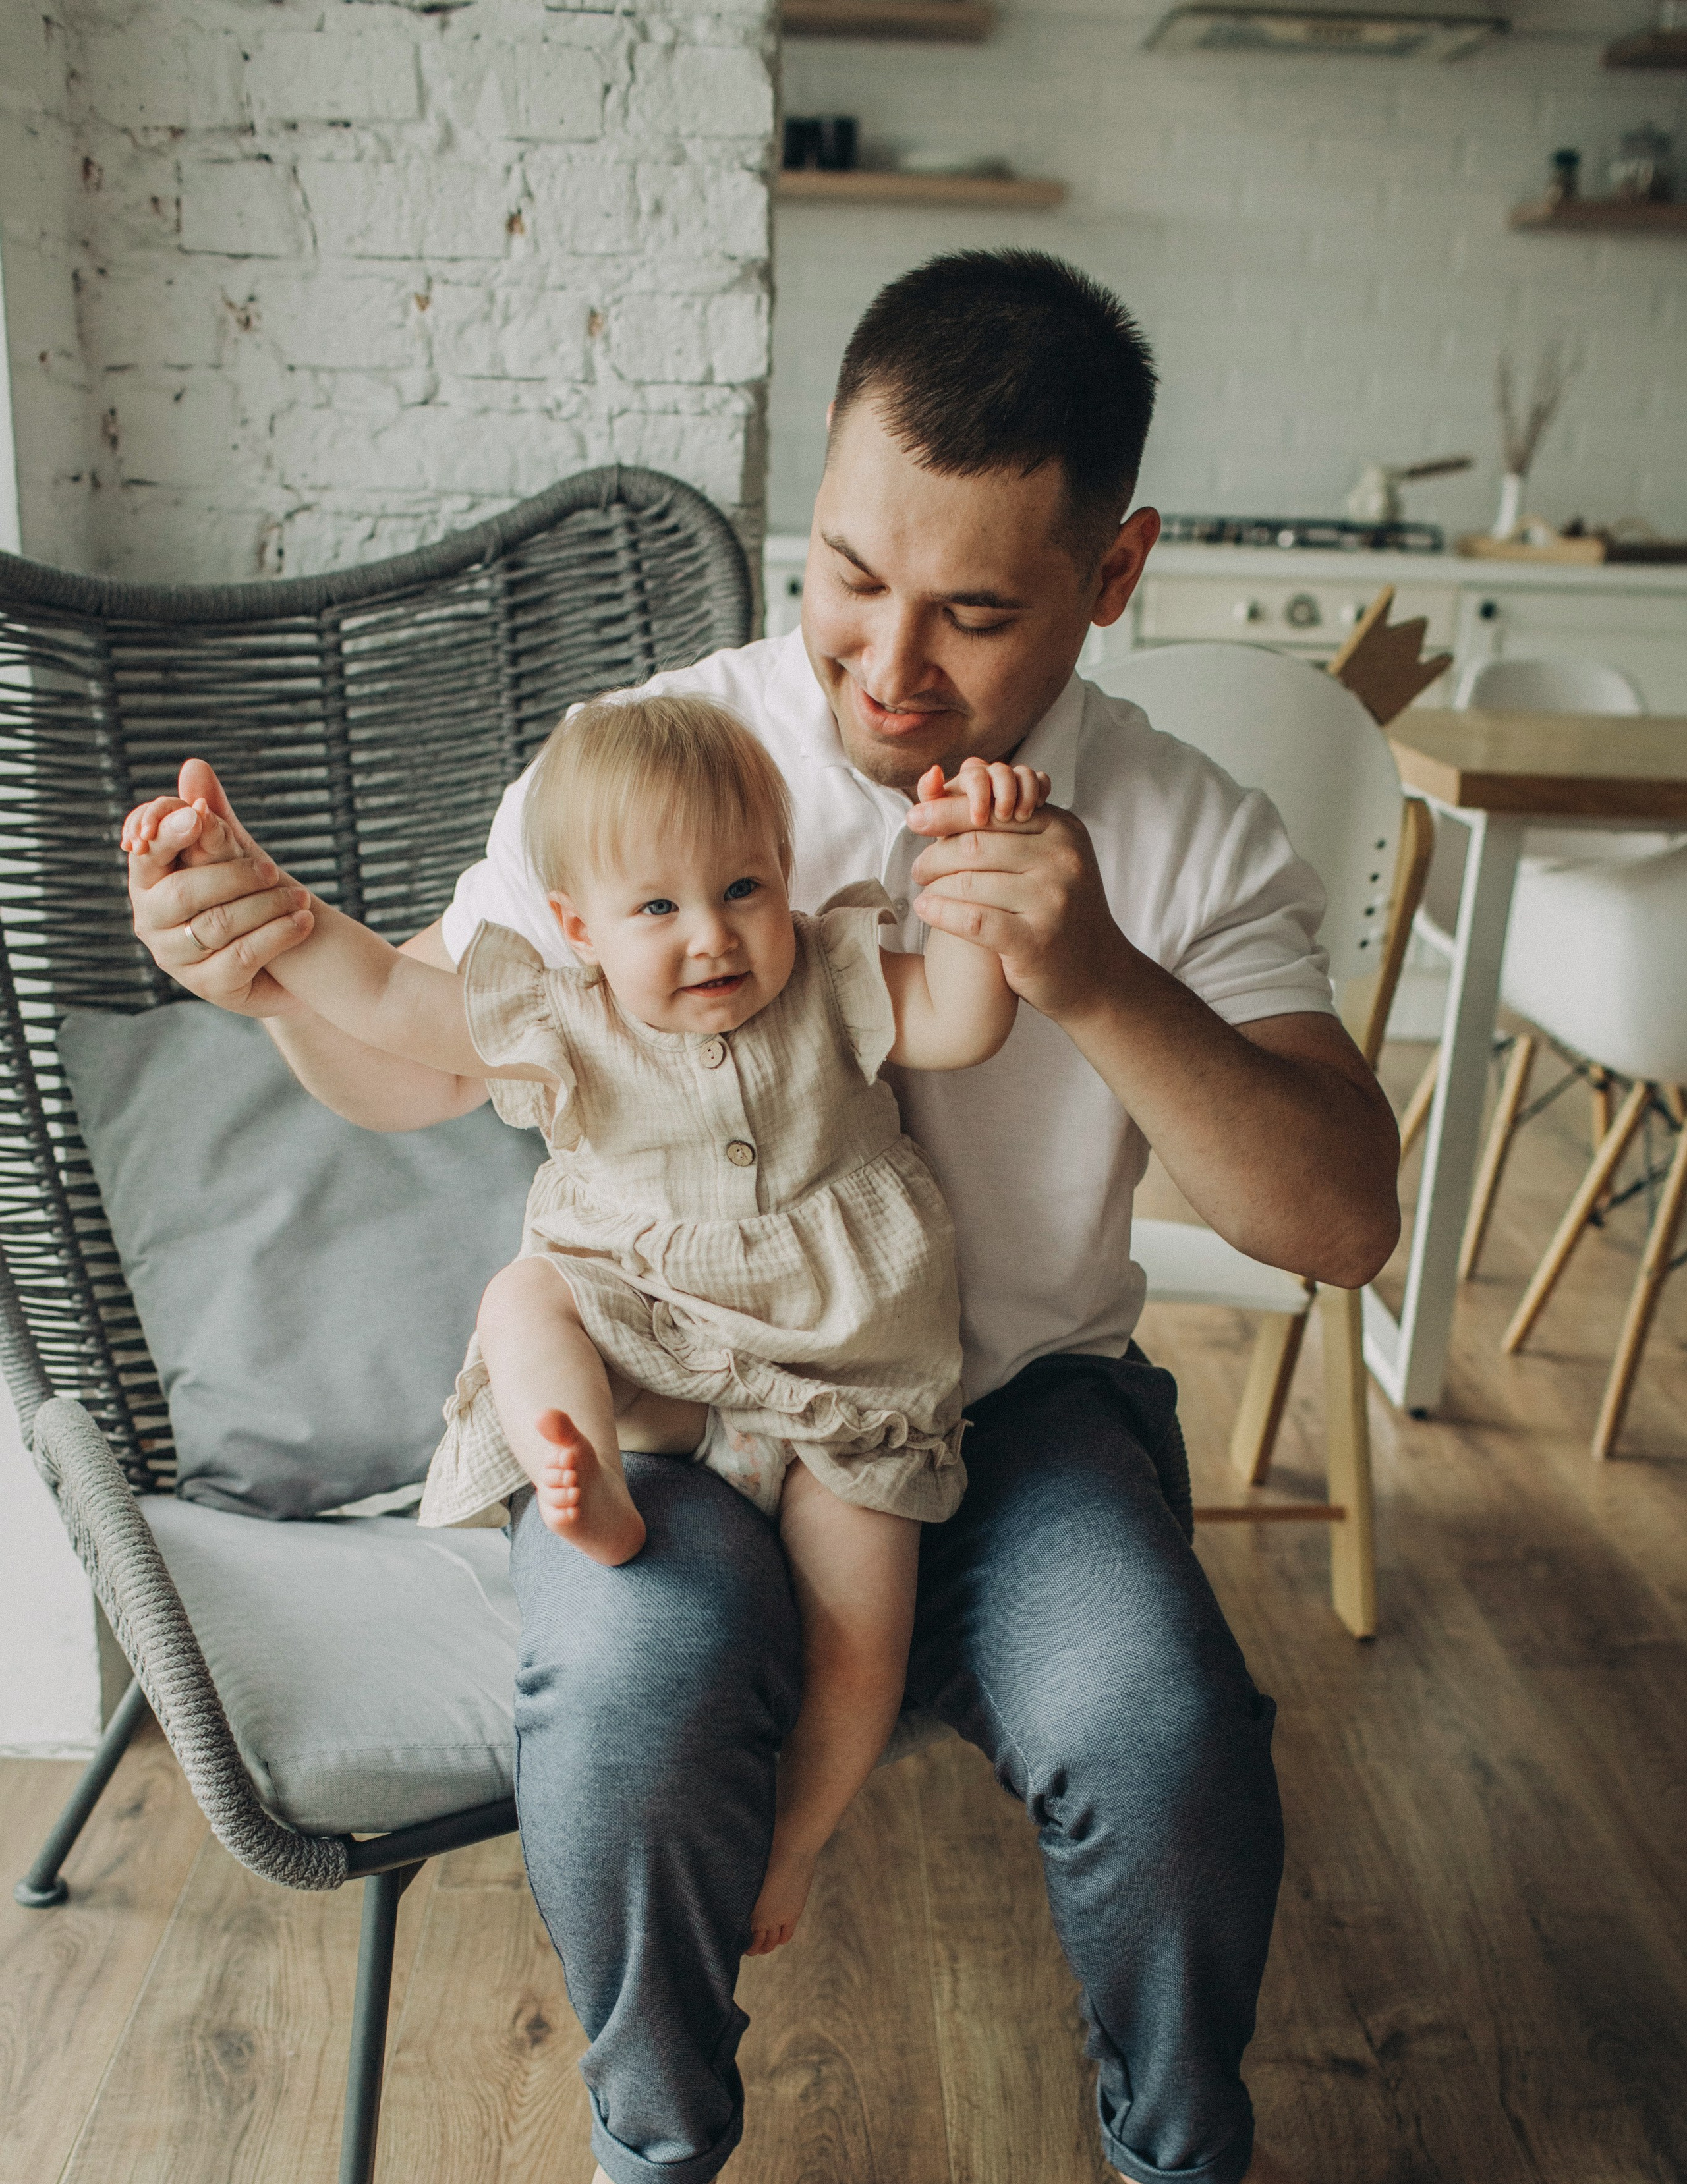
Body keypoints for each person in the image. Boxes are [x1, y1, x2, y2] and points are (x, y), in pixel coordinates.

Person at [127, 248, 1425, 2184]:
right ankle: (651, 2166)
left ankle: (1187, 2141)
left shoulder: (1187, 826)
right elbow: (433, 1059)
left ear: (1110, 570)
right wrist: (272, 979)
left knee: (1170, 1719)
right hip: (672, 1396)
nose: (887, 668)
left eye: (976, 615)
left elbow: (1340, 1220)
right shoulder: (656, 768)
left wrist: (1096, 974)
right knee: (623, 1699)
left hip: (1008, 1413)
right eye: (846, 578)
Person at [123, 691, 1033, 1954]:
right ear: (576, 929)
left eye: (744, 888)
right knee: (524, 1293)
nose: (712, 935)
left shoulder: (831, 973)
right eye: (658, 909)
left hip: (843, 1374)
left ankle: (798, 1842)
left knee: (862, 1639)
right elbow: (387, 993)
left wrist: (968, 874)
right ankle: (588, 1469)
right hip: (651, 1353)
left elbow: (967, 1016)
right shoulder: (564, 1011)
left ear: (786, 881)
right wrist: (268, 898)